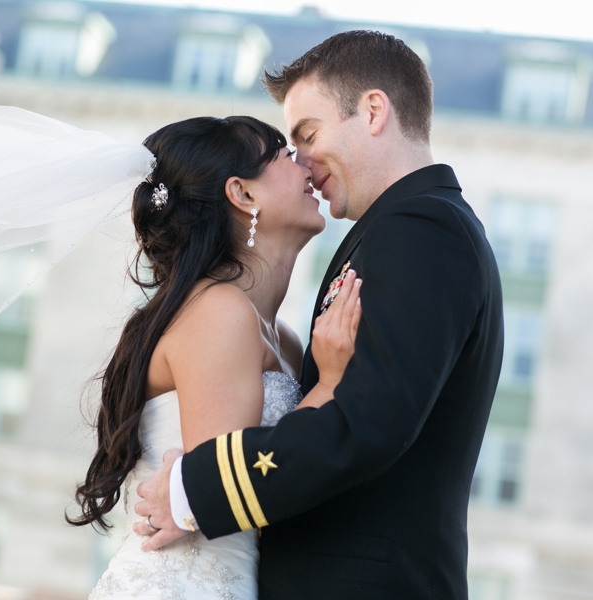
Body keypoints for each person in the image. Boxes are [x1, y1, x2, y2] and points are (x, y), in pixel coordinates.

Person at [133, 31, 504, 599]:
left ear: (374, 110)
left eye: (307, 135)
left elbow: (368, 421)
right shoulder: (401, 229)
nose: (301, 162)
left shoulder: (420, 231)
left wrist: (191, 488)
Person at [67, 115, 363, 598]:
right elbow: (221, 489)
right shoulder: (218, 312)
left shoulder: (283, 338)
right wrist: (330, 386)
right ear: (243, 195)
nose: (307, 165)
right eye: (285, 156)